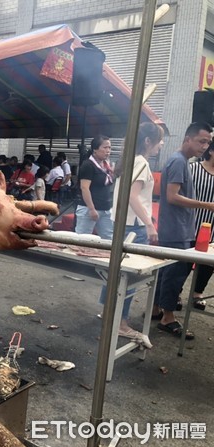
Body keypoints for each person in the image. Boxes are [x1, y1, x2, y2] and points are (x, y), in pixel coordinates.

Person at [100, 122, 164, 345]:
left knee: (115, 274)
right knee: (128, 277)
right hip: (133, 227)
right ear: (148, 141)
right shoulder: (141, 162)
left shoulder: (128, 161)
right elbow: (132, 195)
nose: (160, 144)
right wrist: (148, 223)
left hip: (122, 223)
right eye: (158, 140)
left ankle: (111, 315)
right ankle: (120, 323)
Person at [152, 122, 214, 340]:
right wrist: (207, 205)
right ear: (188, 138)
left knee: (166, 272)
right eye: (201, 141)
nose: (205, 146)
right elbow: (171, 196)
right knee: (174, 275)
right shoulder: (178, 161)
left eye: (207, 142)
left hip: (178, 227)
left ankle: (156, 309)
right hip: (176, 230)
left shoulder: (182, 161)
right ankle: (167, 318)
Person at [187, 141, 214, 310]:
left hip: (212, 226)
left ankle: (197, 293)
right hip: (192, 223)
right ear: (211, 151)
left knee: (208, 263)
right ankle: (174, 294)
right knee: (184, 262)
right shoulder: (193, 169)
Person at [74, 135, 114, 238]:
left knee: (108, 239)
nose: (108, 151)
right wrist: (91, 209)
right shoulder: (88, 165)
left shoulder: (107, 165)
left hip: (105, 208)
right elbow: (85, 188)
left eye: (109, 147)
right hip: (89, 209)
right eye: (105, 147)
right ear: (95, 149)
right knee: (83, 239)